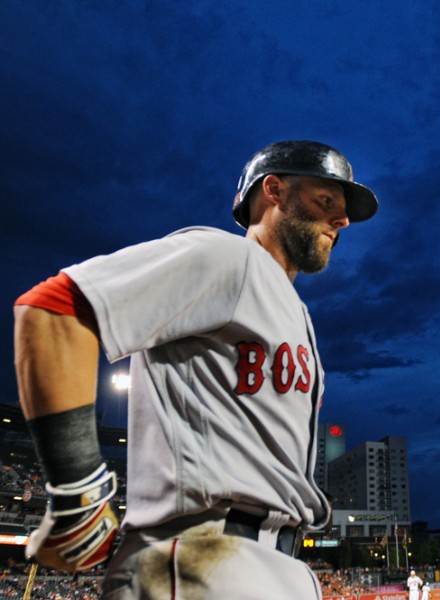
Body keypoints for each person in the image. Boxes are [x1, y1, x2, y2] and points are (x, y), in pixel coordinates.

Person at [13, 140, 379, 598]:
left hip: (273, 566)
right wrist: (77, 489)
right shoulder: (229, 259)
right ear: (274, 191)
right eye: (326, 201)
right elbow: (54, 310)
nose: (341, 221)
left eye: (343, 211)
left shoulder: (294, 311)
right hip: (205, 561)